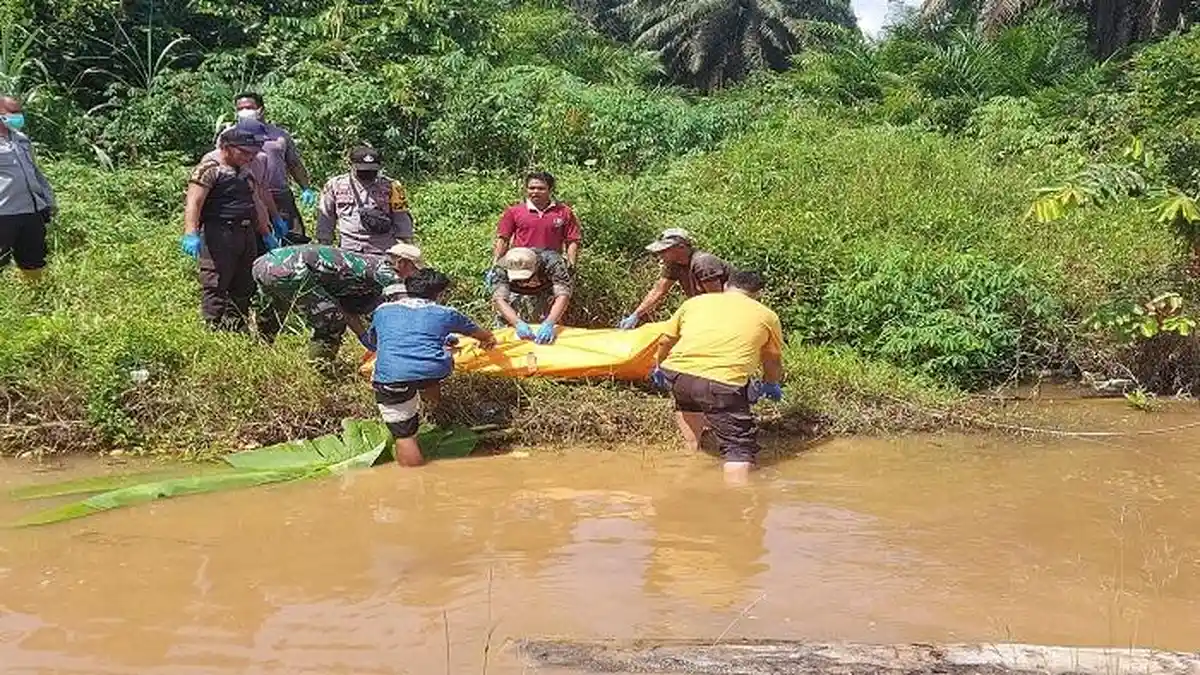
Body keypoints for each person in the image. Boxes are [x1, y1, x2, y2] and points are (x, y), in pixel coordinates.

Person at [651, 270, 784, 484]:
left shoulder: (695, 303)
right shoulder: (766, 315)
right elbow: (772, 358)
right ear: (758, 293)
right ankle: (736, 501)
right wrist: (771, 383)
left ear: (726, 286)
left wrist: (658, 365)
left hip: (678, 375)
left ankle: (689, 462)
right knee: (738, 448)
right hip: (723, 383)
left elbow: (665, 341)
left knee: (689, 406)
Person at [367, 268, 497, 467]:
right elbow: (483, 335)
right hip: (433, 369)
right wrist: (488, 339)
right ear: (439, 293)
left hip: (393, 375)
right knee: (428, 368)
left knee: (404, 435)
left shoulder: (383, 311)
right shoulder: (447, 313)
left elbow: (374, 342)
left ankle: (414, 480)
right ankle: (433, 407)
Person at [253, 242, 424, 361]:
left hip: (264, 263)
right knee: (330, 320)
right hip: (290, 269)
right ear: (402, 263)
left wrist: (364, 337)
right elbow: (408, 308)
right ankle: (321, 369)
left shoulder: (369, 264)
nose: (416, 275)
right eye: (415, 269)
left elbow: (345, 309)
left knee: (275, 309)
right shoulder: (388, 272)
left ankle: (259, 351)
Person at [182, 125, 278, 332]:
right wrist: (190, 233)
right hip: (219, 233)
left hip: (246, 234)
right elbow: (194, 203)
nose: (249, 157)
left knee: (245, 282)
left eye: (252, 153)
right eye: (244, 152)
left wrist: (266, 233)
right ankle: (213, 327)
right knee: (215, 281)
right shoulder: (209, 170)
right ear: (226, 148)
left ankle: (235, 326)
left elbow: (257, 204)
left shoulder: (246, 172)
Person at [230, 92, 317, 241]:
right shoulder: (230, 135)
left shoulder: (280, 135)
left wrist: (305, 188)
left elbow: (294, 163)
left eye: (249, 107)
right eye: (241, 108)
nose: (245, 112)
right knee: (253, 240)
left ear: (261, 109)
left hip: (279, 194)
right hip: (247, 195)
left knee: (293, 238)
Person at [205, 118, 292, 253]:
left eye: (261, 142)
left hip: (252, 221)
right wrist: (191, 231)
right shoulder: (214, 159)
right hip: (222, 224)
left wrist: (275, 218)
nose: (258, 146)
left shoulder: (261, 159)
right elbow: (197, 199)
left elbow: (262, 192)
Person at [618, 228, 733, 329]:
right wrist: (636, 315)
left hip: (731, 311)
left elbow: (717, 300)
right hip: (708, 309)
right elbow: (659, 290)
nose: (660, 254)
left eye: (664, 250)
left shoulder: (703, 263)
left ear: (681, 247)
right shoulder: (675, 265)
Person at [317, 146, 413, 257]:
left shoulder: (392, 186)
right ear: (351, 166)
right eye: (363, 169)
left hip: (383, 249)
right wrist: (325, 246)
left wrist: (407, 249)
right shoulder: (335, 185)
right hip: (349, 249)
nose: (367, 172)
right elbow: (325, 217)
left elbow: (401, 218)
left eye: (372, 170)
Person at [0, 96, 56, 281]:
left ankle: (36, 299)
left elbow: (35, 172)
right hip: (4, 213)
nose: (19, 117)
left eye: (19, 112)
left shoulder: (22, 139)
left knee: (34, 260)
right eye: (13, 113)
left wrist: (49, 201)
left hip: (31, 211)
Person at [492, 171, 581, 268]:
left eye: (541, 189)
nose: (535, 192)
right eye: (531, 188)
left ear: (550, 190)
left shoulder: (564, 212)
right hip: (521, 264)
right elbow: (503, 239)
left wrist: (571, 265)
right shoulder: (514, 211)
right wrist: (496, 264)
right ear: (526, 190)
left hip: (551, 265)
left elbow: (572, 241)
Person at [489, 246, 572, 345]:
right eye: (518, 280)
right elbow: (499, 299)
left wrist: (550, 323)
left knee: (553, 328)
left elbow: (563, 295)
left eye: (526, 279)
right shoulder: (501, 268)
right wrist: (517, 323)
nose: (523, 284)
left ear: (536, 266)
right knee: (506, 330)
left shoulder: (553, 263)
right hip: (513, 292)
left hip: (545, 289)